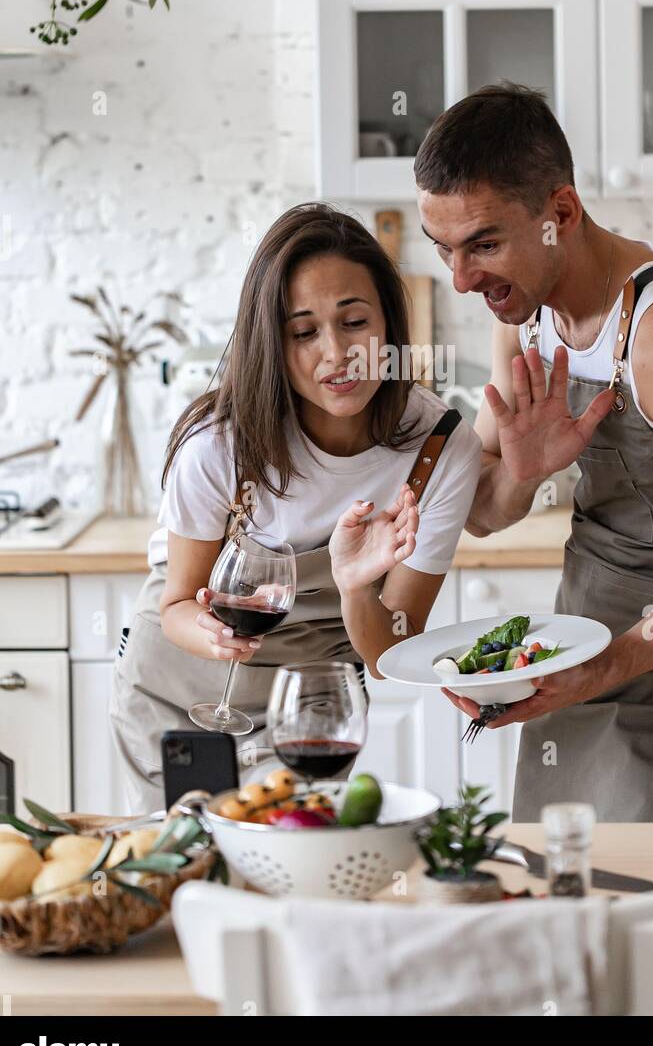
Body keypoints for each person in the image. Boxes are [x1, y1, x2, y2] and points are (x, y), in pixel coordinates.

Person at [414, 82, 653, 822]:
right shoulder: (523, 317)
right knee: (555, 879)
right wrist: (527, 475)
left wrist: (601, 668)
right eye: (446, 251)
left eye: (484, 245)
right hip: (582, 626)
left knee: (639, 891)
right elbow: (488, 515)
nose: (462, 281)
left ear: (560, 213)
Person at [110, 204, 481, 813]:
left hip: (310, 696)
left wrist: (357, 587)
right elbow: (178, 603)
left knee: (295, 858)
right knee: (181, 872)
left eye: (354, 320)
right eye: (303, 332)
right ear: (273, 344)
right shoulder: (219, 446)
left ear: (388, 321)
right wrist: (211, 633)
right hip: (179, 694)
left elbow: (390, 655)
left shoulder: (438, 449)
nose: (336, 354)